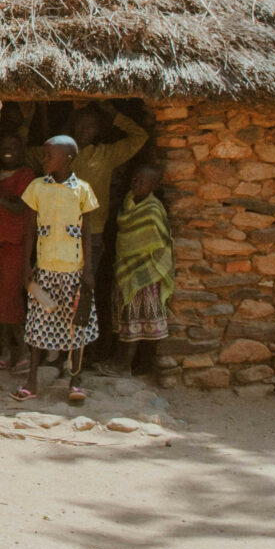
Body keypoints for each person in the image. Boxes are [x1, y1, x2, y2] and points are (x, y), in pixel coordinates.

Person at [16, 135, 99, 405]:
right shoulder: (36, 188)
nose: (45, 159)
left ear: (68, 159)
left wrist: (87, 269)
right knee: (38, 325)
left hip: (74, 270)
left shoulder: (83, 190)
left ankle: (75, 379)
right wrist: (26, 264)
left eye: (50, 155)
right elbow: (28, 230)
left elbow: (87, 233)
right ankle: (32, 380)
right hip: (45, 269)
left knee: (77, 327)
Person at [67, 103, 149, 364]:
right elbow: (27, 154)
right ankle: (61, 350)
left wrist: (110, 111)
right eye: (79, 125)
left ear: (99, 129)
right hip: (60, 235)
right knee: (62, 294)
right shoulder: (60, 153)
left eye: (90, 125)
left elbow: (140, 137)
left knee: (86, 292)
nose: (83, 130)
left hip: (93, 235)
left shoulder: (106, 154)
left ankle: (84, 352)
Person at [0, 129, 36, 371]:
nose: (7, 151)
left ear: (22, 150)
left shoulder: (26, 175)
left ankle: (23, 353)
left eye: (13, 145)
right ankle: (3, 352)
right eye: (4, 146)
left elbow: (19, 208)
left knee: (10, 302)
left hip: (15, 248)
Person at [113, 163, 174, 375]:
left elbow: (158, 241)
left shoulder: (153, 210)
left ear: (154, 186)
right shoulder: (128, 202)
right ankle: (127, 364)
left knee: (137, 321)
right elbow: (126, 238)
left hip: (145, 274)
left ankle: (126, 366)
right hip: (127, 269)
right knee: (127, 319)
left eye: (143, 181)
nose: (136, 183)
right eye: (135, 179)